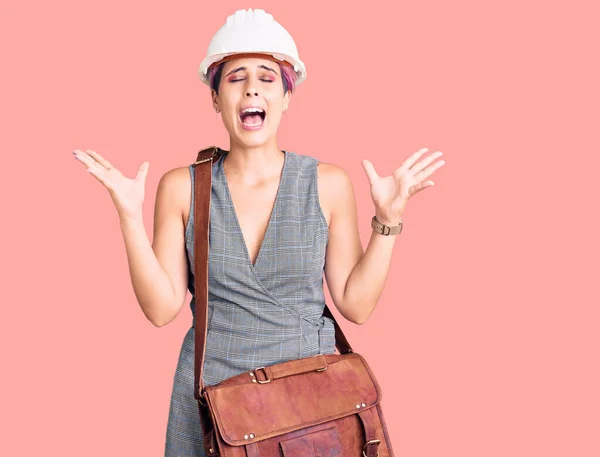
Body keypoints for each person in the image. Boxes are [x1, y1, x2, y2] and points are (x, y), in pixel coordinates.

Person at [72, 8, 445, 456]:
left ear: (287, 97)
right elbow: (160, 310)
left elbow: (356, 305)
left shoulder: (326, 183)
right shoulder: (183, 188)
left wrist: (388, 220)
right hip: (213, 402)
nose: (252, 87)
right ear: (215, 98)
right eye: (236, 77)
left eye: (268, 77)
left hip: (311, 406)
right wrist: (128, 216)